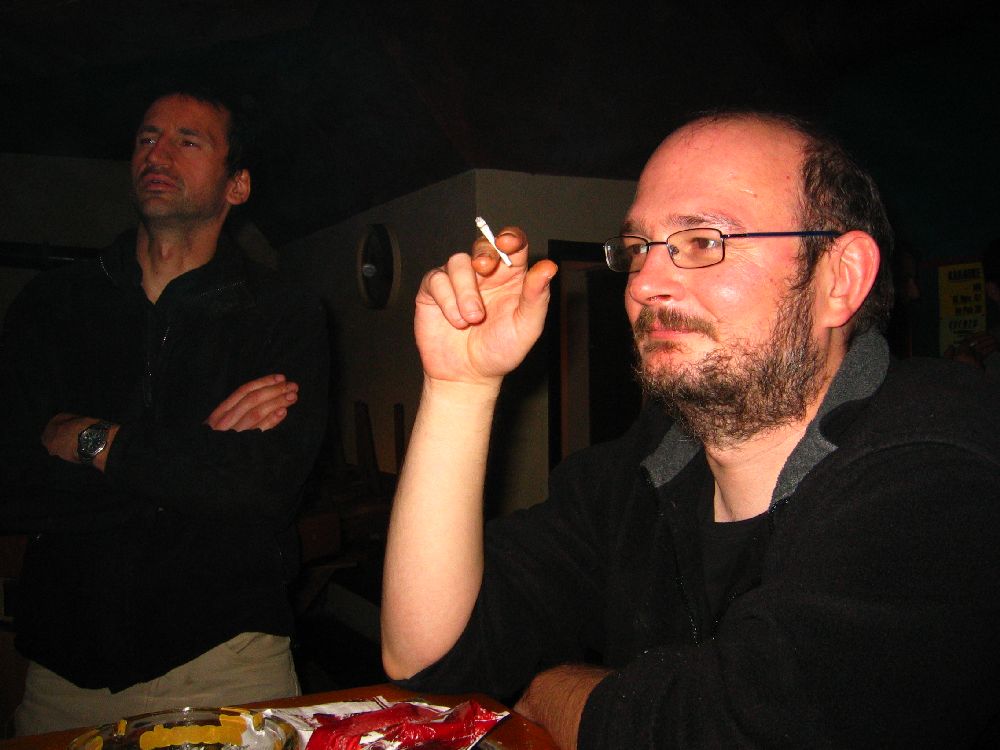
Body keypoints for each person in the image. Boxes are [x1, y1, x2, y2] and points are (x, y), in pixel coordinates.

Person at [380, 111, 1000, 748]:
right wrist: (459, 388)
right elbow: (429, 659)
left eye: (704, 242)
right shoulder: (648, 467)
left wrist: (554, 692)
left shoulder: (943, 464)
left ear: (839, 279)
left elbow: (749, 733)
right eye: (638, 247)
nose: (645, 284)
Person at [0, 86, 329, 734]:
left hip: (229, 660)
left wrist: (94, 442)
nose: (157, 153)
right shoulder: (52, 305)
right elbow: (11, 482)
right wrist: (194, 455)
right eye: (147, 137)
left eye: (187, 140)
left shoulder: (283, 313)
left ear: (237, 185)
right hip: (64, 676)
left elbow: (262, 490)